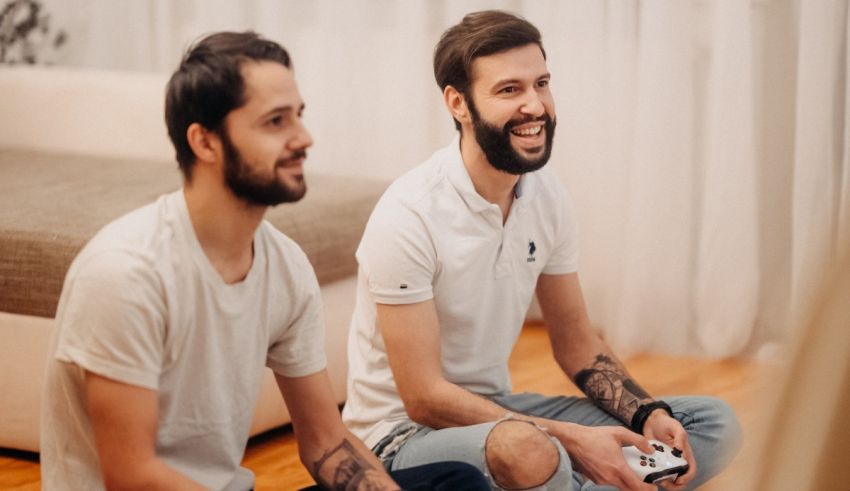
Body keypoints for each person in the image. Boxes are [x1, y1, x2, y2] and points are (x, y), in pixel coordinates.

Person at [39, 31, 489, 491]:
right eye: (275, 122)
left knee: (455, 480)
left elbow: (326, 441)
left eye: (298, 116)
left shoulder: (284, 264)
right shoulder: (125, 272)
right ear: (205, 142)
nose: (304, 138)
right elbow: (131, 474)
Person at [342, 10, 743, 491]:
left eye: (542, 84)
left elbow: (576, 342)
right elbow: (423, 397)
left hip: (499, 410)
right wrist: (573, 440)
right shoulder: (409, 215)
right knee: (532, 451)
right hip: (402, 437)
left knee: (709, 423)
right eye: (509, 90)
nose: (535, 106)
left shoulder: (546, 195)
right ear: (458, 103)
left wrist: (646, 413)